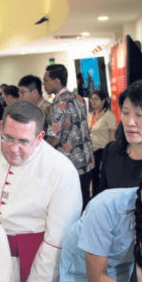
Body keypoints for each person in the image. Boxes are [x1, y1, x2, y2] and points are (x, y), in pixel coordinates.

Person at [0, 101, 81, 282]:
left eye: (23, 141)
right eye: (8, 138)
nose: (13, 148)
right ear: (1, 128)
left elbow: (59, 235)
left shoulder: (62, 170)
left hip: (31, 258)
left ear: (40, 137)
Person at [42, 63, 95, 203]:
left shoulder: (59, 105)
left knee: (72, 202)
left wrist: (39, 151)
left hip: (70, 163)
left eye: (46, 80)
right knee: (85, 198)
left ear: (57, 81)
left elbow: (54, 139)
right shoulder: (79, 98)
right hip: (86, 160)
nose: (44, 84)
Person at [87, 88, 116, 196]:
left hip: (102, 151)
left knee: (100, 178)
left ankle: (100, 196)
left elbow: (112, 137)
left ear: (103, 101)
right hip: (90, 150)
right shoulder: (89, 115)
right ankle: (94, 197)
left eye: (96, 99)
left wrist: (110, 153)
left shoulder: (109, 116)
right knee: (92, 177)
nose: (93, 101)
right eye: (92, 99)